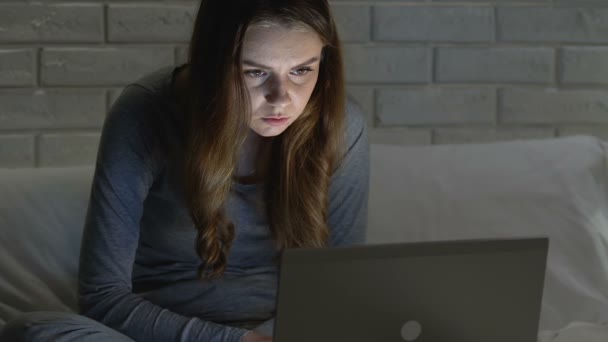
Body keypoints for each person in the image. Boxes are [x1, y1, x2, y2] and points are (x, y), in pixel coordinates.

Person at [0, 0, 369, 341]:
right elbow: (102, 297)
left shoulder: (340, 125)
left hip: (281, 334)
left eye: (302, 70)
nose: (282, 97)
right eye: (256, 72)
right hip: (161, 334)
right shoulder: (146, 112)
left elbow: (338, 287)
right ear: (212, 65)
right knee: (34, 329)